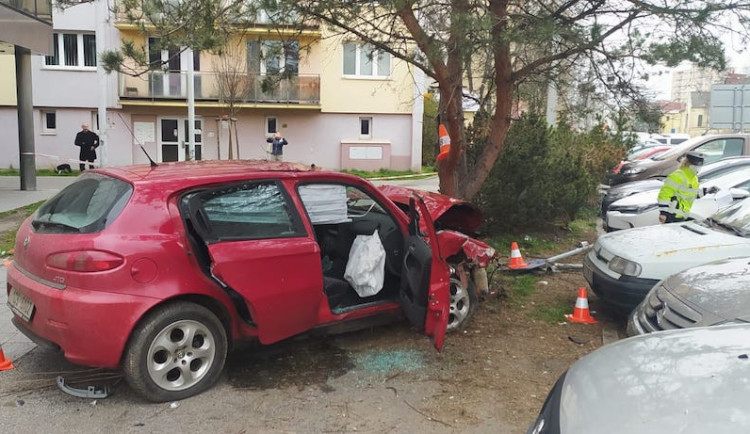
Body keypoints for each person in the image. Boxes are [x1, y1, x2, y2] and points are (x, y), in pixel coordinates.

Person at [658, 151, 718, 223]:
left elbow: (692, 194)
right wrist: (663, 213)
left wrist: (706, 191)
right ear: (688, 163)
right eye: (696, 164)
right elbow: (665, 194)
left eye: (700, 164)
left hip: (682, 216)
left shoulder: (694, 178)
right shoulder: (677, 176)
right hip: (671, 215)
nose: (698, 166)